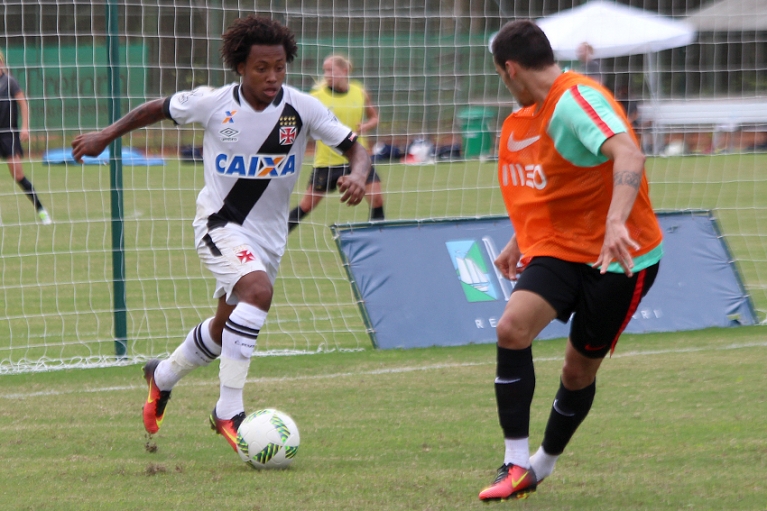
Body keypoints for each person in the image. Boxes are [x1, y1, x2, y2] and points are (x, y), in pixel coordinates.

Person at [72, 15, 370, 451]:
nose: (272, 77)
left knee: (223, 327)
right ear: (240, 67)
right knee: (258, 292)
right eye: (261, 68)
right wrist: (106, 135)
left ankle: (162, 375)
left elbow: (355, 148)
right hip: (219, 223)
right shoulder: (212, 103)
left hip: (269, 236)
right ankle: (229, 410)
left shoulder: (302, 108)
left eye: (280, 67)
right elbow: (156, 108)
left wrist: (358, 175)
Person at [478, 20, 663, 501]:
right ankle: (514, 463)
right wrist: (521, 238)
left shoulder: (576, 99)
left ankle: (542, 464)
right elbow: (559, 183)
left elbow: (629, 155)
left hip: (620, 259)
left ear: (510, 69)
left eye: (500, 76)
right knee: (511, 328)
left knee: (577, 372)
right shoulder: (534, 112)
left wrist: (616, 222)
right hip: (561, 248)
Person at [288, 54, 383, 231]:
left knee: (377, 199)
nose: (327, 75)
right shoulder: (316, 97)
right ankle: (274, 238)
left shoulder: (359, 92)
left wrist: (365, 126)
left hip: (358, 159)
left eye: (331, 70)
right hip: (327, 162)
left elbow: (374, 117)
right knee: (306, 206)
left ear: (344, 71)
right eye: (325, 71)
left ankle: (378, 239)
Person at [0, 50, 51, 225]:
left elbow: (23, 104)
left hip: (9, 135)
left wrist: (25, 127)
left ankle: (41, 210)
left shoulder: (10, 82)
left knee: (18, 175)